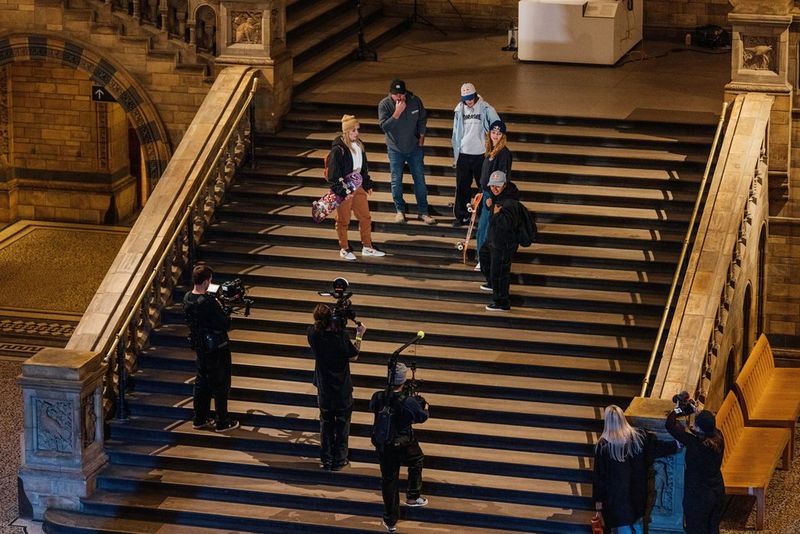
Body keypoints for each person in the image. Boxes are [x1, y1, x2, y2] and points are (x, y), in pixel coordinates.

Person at [593, 405, 678, 534]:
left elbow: (599, 479)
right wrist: (676, 444)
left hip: (616, 502)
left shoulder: (603, 446)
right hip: (637, 495)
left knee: (623, 530)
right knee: (639, 527)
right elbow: (655, 449)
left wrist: (598, 508)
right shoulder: (638, 437)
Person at [369, 362, 430, 532]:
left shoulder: (377, 396)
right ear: (403, 381)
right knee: (417, 459)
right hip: (403, 443)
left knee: (389, 480)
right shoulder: (408, 401)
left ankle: (390, 520)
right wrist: (425, 407)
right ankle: (412, 496)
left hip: (383, 443)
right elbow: (421, 417)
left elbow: (373, 407)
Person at [307, 303, 366, 471]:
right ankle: (340, 459)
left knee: (326, 423)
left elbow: (318, 327)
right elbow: (354, 356)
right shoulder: (340, 337)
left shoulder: (312, 334)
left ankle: (326, 459)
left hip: (324, 387)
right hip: (341, 389)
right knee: (342, 423)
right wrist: (359, 335)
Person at [183, 264, 239, 432]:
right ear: (206, 281)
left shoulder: (187, 298)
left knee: (201, 382)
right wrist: (223, 309)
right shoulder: (208, 302)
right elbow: (224, 324)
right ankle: (222, 421)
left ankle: (199, 418)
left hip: (200, 347)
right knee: (220, 383)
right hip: (216, 347)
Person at [378, 79, 436, 225]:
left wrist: (422, 135)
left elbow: (422, 118)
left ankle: (423, 212)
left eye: (401, 94)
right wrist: (396, 113)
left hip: (414, 147)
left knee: (420, 180)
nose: (399, 97)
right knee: (396, 180)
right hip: (395, 149)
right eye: (396, 95)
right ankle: (400, 211)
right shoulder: (384, 104)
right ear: (391, 94)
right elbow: (384, 127)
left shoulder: (415, 101)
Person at [328, 114, 386, 261]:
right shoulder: (338, 149)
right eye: (354, 130)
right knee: (343, 219)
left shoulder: (359, 145)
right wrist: (342, 192)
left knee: (365, 217)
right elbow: (333, 175)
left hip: (358, 186)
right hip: (344, 188)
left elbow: (363, 169)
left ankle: (367, 246)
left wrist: (367, 184)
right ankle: (344, 248)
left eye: (357, 129)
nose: (357, 133)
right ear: (346, 131)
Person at [666, 407, 725, 534]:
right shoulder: (719, 437)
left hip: (699, 497)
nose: (693, 425)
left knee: (696, 529)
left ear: (701, 430)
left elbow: (670, 424)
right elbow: (704, 427)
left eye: (696, 424)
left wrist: (678, 410)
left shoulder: (694, 444)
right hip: (717, 491)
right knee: (713, 528)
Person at [451, 82, 501, 227]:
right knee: (462, 186)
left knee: (483, 185)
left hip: (481, 154)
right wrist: (456, 152)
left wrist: (493, 148)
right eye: (466, 98)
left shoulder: (486, 108)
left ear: (475, 95)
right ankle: (462, 216)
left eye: (471, 97)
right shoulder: (459, 109)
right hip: (463, 153)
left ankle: (483, 214)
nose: (469, 101)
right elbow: (456, 132)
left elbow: (497, 125)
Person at [479, 170, 528, 312]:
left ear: (505, 185)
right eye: (492, 186)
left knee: (500, 273)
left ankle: (502, 302)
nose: (494, 189)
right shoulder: (498, 197)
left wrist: (494, 214)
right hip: (493, 239)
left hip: (504, 243)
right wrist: (490, 206)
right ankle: (492, 284)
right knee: (484, 257)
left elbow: (506, 224)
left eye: (497, 186)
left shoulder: (511, 203)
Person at [475, 119, 513, 271]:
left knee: (486, 230)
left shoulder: (503, 153)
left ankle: (484, 260)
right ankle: (482, 258)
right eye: (493, 132)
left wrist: (493, 196)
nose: (495, 135)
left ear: (503, 135)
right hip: (485, 193)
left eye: (498, 133)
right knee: (482, 229)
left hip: (492, 195)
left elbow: (502, 178)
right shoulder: (491, 151)